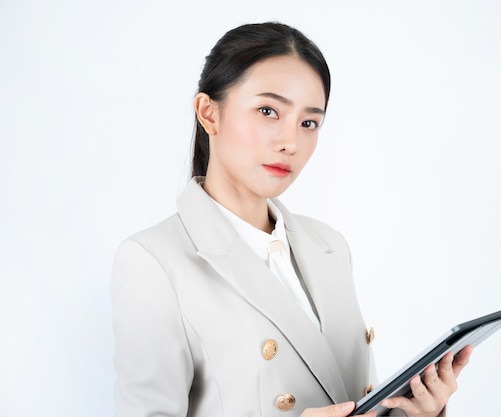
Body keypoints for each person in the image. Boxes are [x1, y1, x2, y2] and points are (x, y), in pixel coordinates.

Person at [111, 22, 472, 417]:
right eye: (269, 111)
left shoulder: (329, 246)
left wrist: (417, 412)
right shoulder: (153, 262)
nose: (291, 142)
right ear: (209, 113)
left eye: (309, 122)